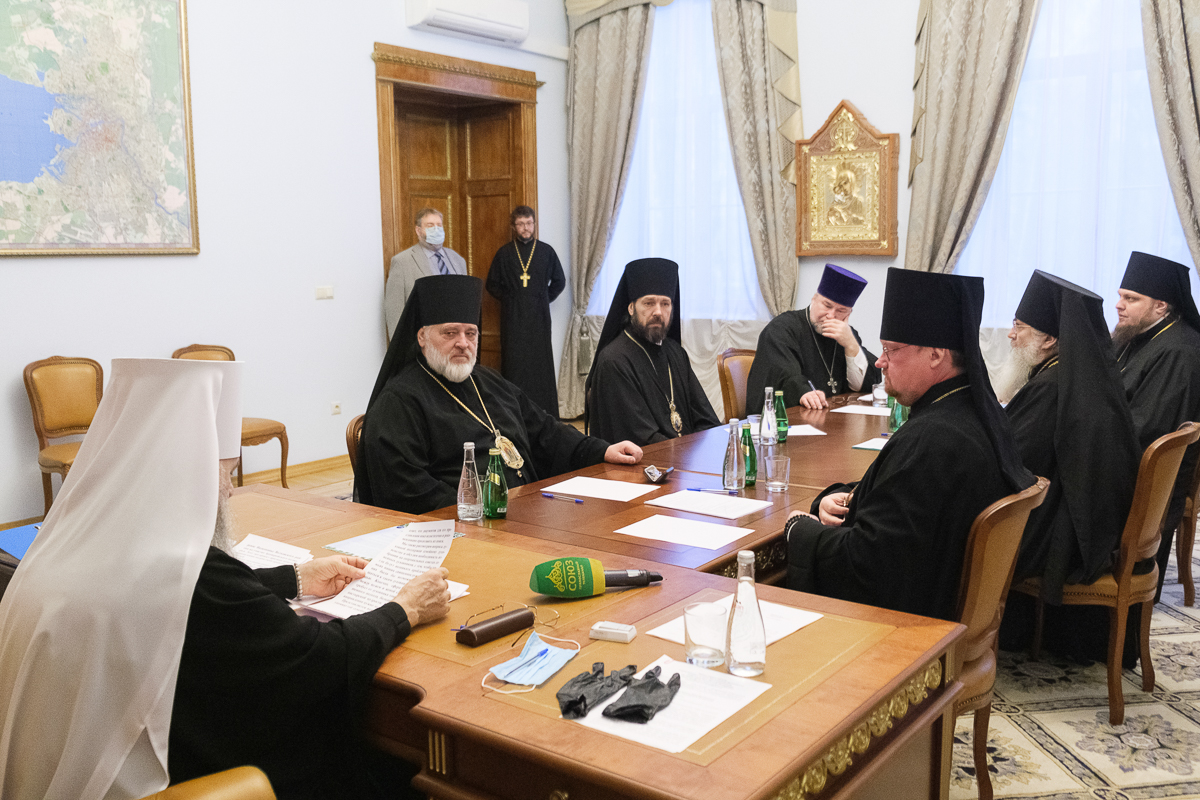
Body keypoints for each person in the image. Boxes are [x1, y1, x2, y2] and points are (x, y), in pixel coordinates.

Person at [0, 358, 451, 800]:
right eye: (222, 470)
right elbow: (317, 660)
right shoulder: (189, 571)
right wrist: (405, 608)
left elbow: (184, 602)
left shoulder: (80, 542)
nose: (230, 488)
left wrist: (294, 578)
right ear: (187, 469)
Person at [783, 268, 1034, 622]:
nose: (880, 362)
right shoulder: (967, 413)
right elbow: (903, 495)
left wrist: (799, 529)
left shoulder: (933, 441)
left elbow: (868, 565)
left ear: (935, 354)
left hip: (908, 628)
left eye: (890, 350)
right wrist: (845, 496)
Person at [358, 274, 642, 515]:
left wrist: (601, 450)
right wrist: (478, 512)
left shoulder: (490, 382)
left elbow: (545, 432)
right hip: (465, 532)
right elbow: (406, 489)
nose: (463, 343)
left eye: (471, 333)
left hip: (527, 514)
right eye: (450, 333)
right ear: (421, 337)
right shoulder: (399, 402)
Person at [1113, 251, 1200, 597]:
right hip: (1129, 470)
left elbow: (1146, 429)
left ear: (1162, 306)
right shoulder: (1139, 335)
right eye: (1120, 296)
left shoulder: (1180, 351)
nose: (1119, 305)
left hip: (1143, 488)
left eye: (1131, 299)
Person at [584, 258, 720, 444]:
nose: (658, 312)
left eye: (665, 304)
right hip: (647, 466)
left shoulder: (675, 353)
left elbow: (707, 419)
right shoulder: (614, 361)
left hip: (685, 460)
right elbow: (640, 439)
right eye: (649, 303)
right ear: (631, 308)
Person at [746, 264, 882, 412]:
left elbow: (861, 387)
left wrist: (851, 346)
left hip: (833, 420)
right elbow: (784, 376)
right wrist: (803, 391)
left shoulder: (847, 335)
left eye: (841, 310)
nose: (831, 315)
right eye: (827, 305)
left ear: (848, 314)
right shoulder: (782, 328)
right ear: (814, 299)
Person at [485, 205, 567, 415]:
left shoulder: (546, 251)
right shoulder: (504, 253)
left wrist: (542, 299)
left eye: (529, 223)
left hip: (539, 318)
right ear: (514, 226)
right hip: (513, 319)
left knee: (541, 366)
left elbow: (559, 280)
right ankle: (515, 413)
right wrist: (512, 299)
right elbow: (492, 284)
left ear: (534, 224)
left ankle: (546, 413)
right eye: (521, 224)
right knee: (515, 365)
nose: (525, 228)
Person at [384, 207, 467, 339]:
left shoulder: (458, 260)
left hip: (455, 339)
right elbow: (394, 310)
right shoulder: (402, 262)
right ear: (418, 230)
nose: (436, 229)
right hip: (422, 340)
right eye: (430, 225)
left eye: (439, 225)